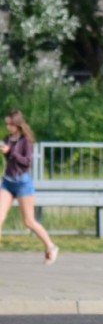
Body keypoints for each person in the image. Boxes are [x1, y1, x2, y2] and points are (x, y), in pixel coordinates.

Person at [0, 110, 58, 265]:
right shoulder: (7, 139)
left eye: (10, 124)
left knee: (29, 221)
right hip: (7, 181)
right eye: (6, 124)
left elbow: (26, 162)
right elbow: (10, 160)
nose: (7, 127)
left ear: (17, 124)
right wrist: (5, 151)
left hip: (22, 182)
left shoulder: (26, 141)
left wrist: (11, 151)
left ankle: (50, 247)